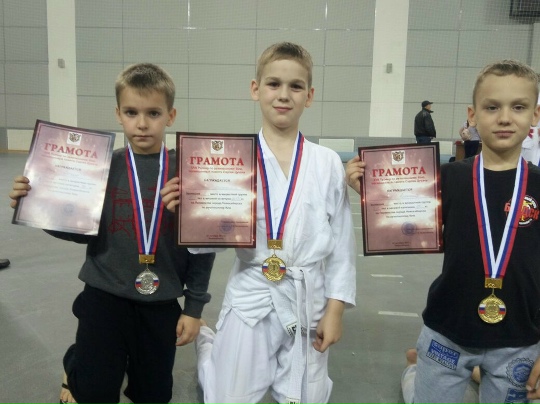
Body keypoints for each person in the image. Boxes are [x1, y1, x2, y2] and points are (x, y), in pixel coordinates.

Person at [161, 42, 356, 404]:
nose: (284, 95)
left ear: (309, 96)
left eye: (295, 86)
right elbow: (211, 240)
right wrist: (188, 213)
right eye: (273, 84)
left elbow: (342, 243)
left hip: (307, 297)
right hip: (252, 293)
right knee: (226, 397)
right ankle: (209, 346)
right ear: (255, 89)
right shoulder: (233, 160)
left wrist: (336, 309)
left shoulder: (327, 162)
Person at [9, 63, 215, 404]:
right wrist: (36, 206)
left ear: (171, 115)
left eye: (153, 113)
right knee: (94, 392)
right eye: (131, 112)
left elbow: (205, 246)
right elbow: (81, 232)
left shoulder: (190, 171)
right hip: (104, 295)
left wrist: (193, 308)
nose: (142, 123)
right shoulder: (100, 168)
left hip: (161, 300)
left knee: (154, 395)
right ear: (118, 114)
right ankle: (74, 365)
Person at [347, 59, 540, 403]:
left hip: (520, 340)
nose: (505, 117)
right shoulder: (447, 177)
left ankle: (443, 372)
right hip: (448, 333)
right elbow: (406, 220)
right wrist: (370, 190)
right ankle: (414, 372)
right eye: (492, 107)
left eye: (518, 107)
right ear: (472, 115)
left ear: (535, 116)